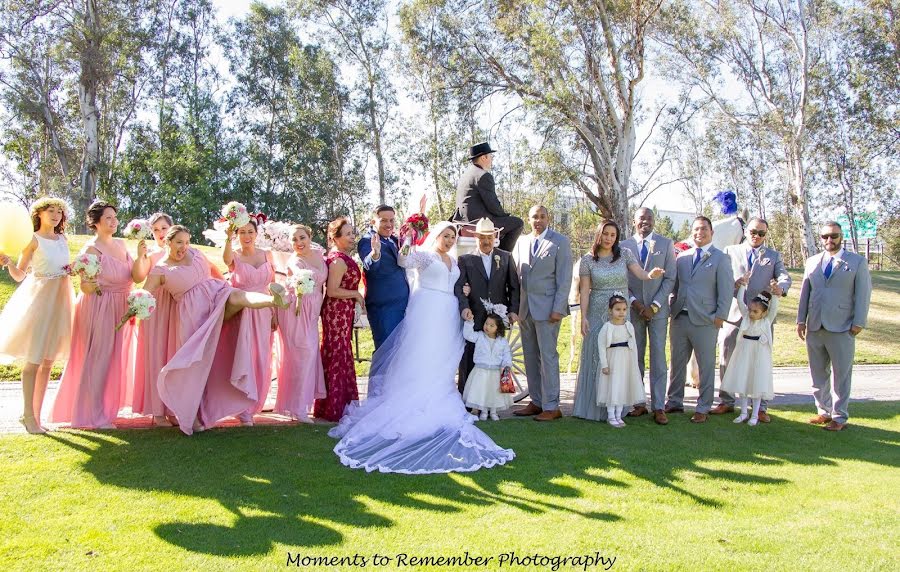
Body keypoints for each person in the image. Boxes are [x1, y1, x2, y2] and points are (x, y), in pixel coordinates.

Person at [329, 221, 515, 473]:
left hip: (449, 314)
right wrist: (408, 240)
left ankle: (441, 396)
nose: (449, 240)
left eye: (453, 237)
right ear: (437, 236)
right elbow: (404, 261)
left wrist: (465, 289)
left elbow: (457, 285)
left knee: (444, 360)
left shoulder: (454, 260)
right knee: (423, 357)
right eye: (446, 236)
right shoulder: (426, 257)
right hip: (428, 310)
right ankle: (419, 402)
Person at [143, 225, 289, 435]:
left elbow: (213, 269)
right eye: (178, 243)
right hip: (195, 316)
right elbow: (145, 293)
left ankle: (272, 299)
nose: (184, 247)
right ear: (167, 242)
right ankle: (191, 416)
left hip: (216, 294)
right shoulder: (161, 269)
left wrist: (225, 284)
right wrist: (135, 308)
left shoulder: (195, 253)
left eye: (186, 242)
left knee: (238, 296)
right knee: (196, 367)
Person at [51, 200, 136, 430]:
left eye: (115, 217)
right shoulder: (90, 249)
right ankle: (93, 414)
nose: (113, 221)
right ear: (95, 223)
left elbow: (135, 276)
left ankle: (107, 408)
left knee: (113, 360)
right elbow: (86, 287)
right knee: (98, 360)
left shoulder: (121, 244)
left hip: (121, 306)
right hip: (99, 306)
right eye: (108, 218)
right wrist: (93, 283)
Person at [572, 220, 665, 422]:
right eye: (605, 233)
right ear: (599, 234)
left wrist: (650, 275)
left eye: (613, 235)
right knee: (598, 353)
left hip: (621, 312)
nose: (609, 238)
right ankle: (593, 407)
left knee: (618, 356)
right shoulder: (588, 260)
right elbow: (585, 292)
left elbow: (639, 273)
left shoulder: (624, 254)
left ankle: (616, 408)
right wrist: (584, 318)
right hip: (597, 310)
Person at [0, 197, 75, 434]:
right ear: (39, 214)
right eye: (50, 211)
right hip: (40, 300)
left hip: (61, 300)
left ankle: (38, 416)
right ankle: (27, 415)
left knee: (48, 361)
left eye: (59, 212)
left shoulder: (63, 239)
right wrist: (9, 263)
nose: (55, 215)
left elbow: (64, 267)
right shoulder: (33, 239)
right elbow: (20, 275)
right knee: (34, 359)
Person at [712, 217, 791, 422]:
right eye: (754, 232)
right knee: (727, 358)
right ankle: (727, 401)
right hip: (734, 313)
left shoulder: (773, 256)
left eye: (762, 233)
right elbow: (721, 277)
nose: (757, 236)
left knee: (760, 361)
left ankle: (761, 407)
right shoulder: (730, 251)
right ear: (746, 231)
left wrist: (781, 288)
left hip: (761, 318)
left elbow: (784, 277)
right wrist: (735, 283)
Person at [797, 221, 872, 432]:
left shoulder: (856, 262)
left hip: (842, 327)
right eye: (825, 237)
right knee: (818, 372)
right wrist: (801, 320)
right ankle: (823, 411)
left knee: (842, 374)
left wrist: (858, 322)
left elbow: (863, 294)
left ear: (841, 237)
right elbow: (805, 292)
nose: (829, 240)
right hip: (814, 326)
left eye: (834, 236)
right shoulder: (812, 262)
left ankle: (839, 416)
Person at [665, 216, 734, 423]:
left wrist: (719, 317)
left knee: (705, 365)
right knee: (677, 363)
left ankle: (703, 406)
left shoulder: (721, 258)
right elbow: (675, 286)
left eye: (704, 229)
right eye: (695, 229)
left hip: (706, 320)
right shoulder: (683, 257)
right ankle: (674, 402)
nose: (699, 233)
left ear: (712, 232)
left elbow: (726, 290)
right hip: (679, 318)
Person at [511, 205, 572, 421]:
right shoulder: (522, 242)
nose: (538, 220)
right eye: (534, 217)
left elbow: (564, 278)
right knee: (530, 357)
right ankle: (536, 401)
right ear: (529, 220)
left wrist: (558, 308)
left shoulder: (560, 242)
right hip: (525, 310)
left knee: (548, 357)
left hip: (548, 310)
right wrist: (515, 308)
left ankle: (552, 406)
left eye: (542, 216)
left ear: (549, 218)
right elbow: (517, 277)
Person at [619, 207, 677, 424]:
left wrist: (654, 305)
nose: (646, 221)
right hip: (633, 310)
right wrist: (634, 303)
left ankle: (659, 406)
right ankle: (638, 403)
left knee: (658, 358)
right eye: (642, 218)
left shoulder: (665, 244)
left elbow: (670, 278)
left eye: (650, 218)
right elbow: (622, 279)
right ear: (634, 221)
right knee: (635, 357)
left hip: (657, 311)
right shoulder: (624, 246)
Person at [454, 217, 519, 392]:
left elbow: (514, 287)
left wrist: (513, 310)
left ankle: (491, 399)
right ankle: (466, 398)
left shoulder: (505, 257)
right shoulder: (466, 259)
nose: (486, 241)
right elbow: (460, 287)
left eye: (489, 237)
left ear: (494, 238)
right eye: (482, 237)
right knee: (469, 357)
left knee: (494, 358)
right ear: (476, 238)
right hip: (474, 315)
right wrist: (464, 308)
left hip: (497, 318)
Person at [223, 219, 276, 426]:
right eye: (242, 232)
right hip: (242, 311)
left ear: (256, 233)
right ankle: (242, 408)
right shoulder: (234, 255)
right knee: (244, 355)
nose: (247, 236)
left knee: (261, 356)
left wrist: (274, 313)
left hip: (264, 310)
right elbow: (226, 259)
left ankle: (255, 404)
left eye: (250, 232)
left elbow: (273, 285)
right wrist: (228, 238)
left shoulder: (266, 254)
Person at [273, 224, 327, 422]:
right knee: (302, 355)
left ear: (309, 237)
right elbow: (297, 276)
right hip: (296, 309)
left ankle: (301, 405)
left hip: (312, 311)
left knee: (310, 355)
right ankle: (298, 408)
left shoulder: (319, 255)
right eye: (294, 239)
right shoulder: (294, 261)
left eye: (301, 238)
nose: (298, 243)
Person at [314, 217, 364, 422]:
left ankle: (341, 403)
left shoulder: (343, 257)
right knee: (336, 354)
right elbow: (333, 291)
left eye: (353, 233)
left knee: (341, 353)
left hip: (344, 311)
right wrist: (356, 295)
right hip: (336, 312)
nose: (353, 237)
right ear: (336, 238)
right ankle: (333, 406)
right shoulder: (337, 260)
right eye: (348, 234)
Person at [131, 213, 178, 426]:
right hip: (155, 309)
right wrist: (140, 257)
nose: (160, 233)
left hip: (176, 308)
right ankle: (157, 411)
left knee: (173, 356)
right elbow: (139, 278)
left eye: (164, 228)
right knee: (156, 355)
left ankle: (173, 407)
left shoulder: (180, 252)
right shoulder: (151, 255)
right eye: (156, 230)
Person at [720, 288, 778, 426]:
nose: (751, 313)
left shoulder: (766, 321)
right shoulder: (746, 317)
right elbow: (740, 302)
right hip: (745, 352)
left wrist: (775, 295)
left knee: (756, 383)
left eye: (755, 311)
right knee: (743, 381)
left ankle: (755, 414)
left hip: (758, 354)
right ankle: (743, 412)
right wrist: (743, 287)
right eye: (751, 310)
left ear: (764, 313)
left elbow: (774, 308)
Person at [452, 142, 523, 252]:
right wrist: (505, 216)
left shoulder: (466, 175)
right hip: (477, 222)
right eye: (491, 156)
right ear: (484, 157)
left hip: (462, 223)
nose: (492, 159)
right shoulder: (483, 176)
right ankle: (503, 256)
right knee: (517, 223)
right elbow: (493, 205)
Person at [357, 204, 410, 350]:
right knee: (385, 352)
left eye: (392, 220)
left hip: (402, 305)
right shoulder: (367, 240)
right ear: (373, 222)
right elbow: (371, 266)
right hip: (384, 308)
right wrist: (375, 254)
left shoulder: (394, 239)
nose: (389, 224)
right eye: (384, 220)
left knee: (399, 353)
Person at [596, 293, 646, 428]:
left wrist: (634, 363)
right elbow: (601, 346)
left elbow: (634, 345)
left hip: (626, 360)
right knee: (613, 386)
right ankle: (611, 415)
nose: (621, 312)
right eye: (618, 309)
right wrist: (604, 364)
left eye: (624, 309)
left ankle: (619, 415)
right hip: (613, 360)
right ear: (610, 311)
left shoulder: (629, 326)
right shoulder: (607, 327)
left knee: (622, 387)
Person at [461, 308, 514, 420]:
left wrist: (507, 364)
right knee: (483, 391)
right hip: (481, 371)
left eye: (491, 325)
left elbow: (506, 354)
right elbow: (468, 335)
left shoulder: (502, 341)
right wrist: (469, 322)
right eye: (486, 323)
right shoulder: (479, 336)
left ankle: (493, 412)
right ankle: (484, 411)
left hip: (495, 371)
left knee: (494, 392)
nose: (487, 327)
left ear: (498, 328)